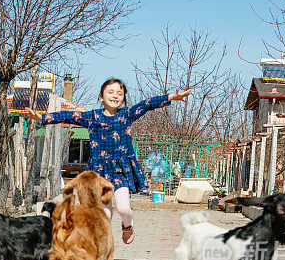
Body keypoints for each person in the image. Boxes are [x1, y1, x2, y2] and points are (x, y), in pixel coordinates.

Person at [24, 79, 191, 244]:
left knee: (124, 208)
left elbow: (146, 104)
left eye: (119, 93)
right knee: (105, 214)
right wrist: (42, 117)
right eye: (110, 92)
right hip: (99, 172)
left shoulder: (126, 114)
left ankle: (128, 226)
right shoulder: (92, 117)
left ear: (123, 98)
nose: (115, 95)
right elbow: (69, 116)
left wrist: (170, 97)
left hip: (120, 170)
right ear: (101, 97)